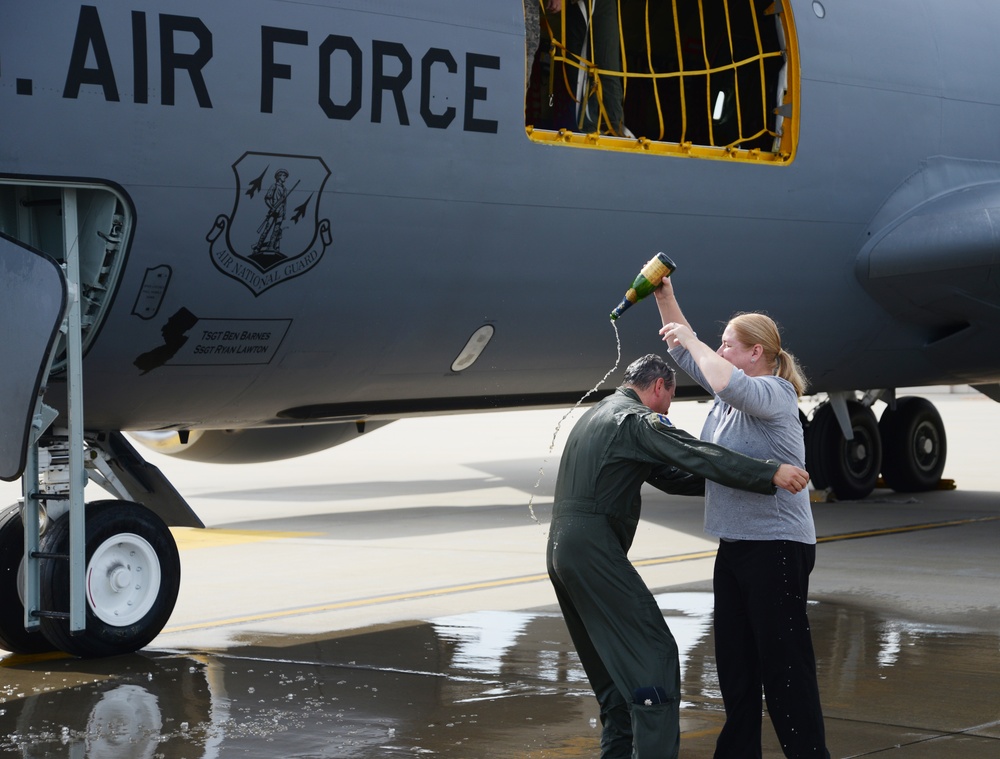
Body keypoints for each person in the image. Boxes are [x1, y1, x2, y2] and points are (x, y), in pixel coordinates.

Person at [547, 353, 810, 759]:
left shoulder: (599, 414)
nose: (668, 409)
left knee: (613, 669)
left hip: (561, 550)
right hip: (593, 549)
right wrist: (766, 472)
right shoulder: (637, 420)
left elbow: (670, 476)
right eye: (669, 399)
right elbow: (694, 453)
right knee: (655, 654)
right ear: (658, 387)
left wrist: (731, 486)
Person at [654, 277, 831, 759]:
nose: (719, 350)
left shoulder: (772, 393)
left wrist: (692, 340)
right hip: (734, 545)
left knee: (784, 667)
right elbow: (690, 356)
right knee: (735, 666)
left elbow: (718, 373)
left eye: (728, 344)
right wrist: (666, 299)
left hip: (776, 547)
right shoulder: (727, 399)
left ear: (755, 353)